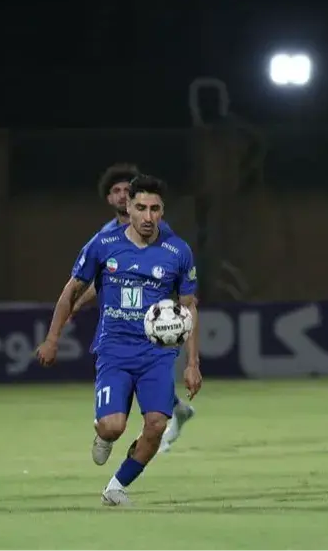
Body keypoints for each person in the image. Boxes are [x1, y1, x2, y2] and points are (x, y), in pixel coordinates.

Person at [36, 174, 202, 506]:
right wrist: (52, 338)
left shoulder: (177, 251)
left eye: (155, 209)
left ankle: (116, 486)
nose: (148, 216)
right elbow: (71, 291)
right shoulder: (103, 244)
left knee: (156, 424)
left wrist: (192, 363)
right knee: (112, 427)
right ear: (128, 207)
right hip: (114, 350)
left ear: (162, 211)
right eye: (141, 208)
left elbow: (189, 306)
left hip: (157, 353)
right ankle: (104, 432)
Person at [70, 163, 196, 456]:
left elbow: (167, 266)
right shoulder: (106, 236)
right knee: (125, 378)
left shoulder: (158, 231)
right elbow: (100, 278)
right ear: (111, 199)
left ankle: (160, 420)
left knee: (145, 375)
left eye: (126, 190)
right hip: (119, 322)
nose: (121, 195)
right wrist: (76, 302)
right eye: (115, 191)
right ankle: (171, 410)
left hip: (150, 321)